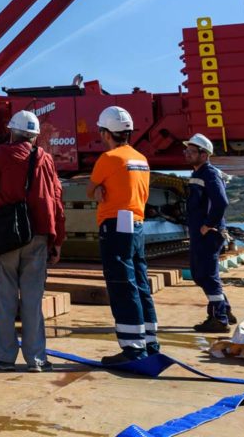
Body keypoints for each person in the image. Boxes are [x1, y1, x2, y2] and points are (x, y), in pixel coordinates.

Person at [0, 110, 65, 373]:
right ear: (35, 137)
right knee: (32, 300)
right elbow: (56, 199)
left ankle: (5, 358)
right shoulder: (45, 159)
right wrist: (57, 239)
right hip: (37, 236)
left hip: (5, 238)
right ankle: (36, 359)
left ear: (12, 132)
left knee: (4, 300)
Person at [87, 105, 160, 365]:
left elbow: (91, 189)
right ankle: (150, 343)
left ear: (106, 133)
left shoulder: (109, 159)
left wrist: (98, 192)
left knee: (121, 285)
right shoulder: (141, 159)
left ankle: (132, 350)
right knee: (140, 284)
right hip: (136, 225)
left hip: (115, 225)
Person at [183, 133, 234, 332]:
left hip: (208, 234)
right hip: (201, 234)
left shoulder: (209, 174)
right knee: (201, 275)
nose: (187, 153)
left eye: (192, 151)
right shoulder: (198, 174)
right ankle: (224, 309)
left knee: (207, 276)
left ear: (204, 155)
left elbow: (221, 202)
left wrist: (207, 225)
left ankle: (219, 319)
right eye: (186, 150)